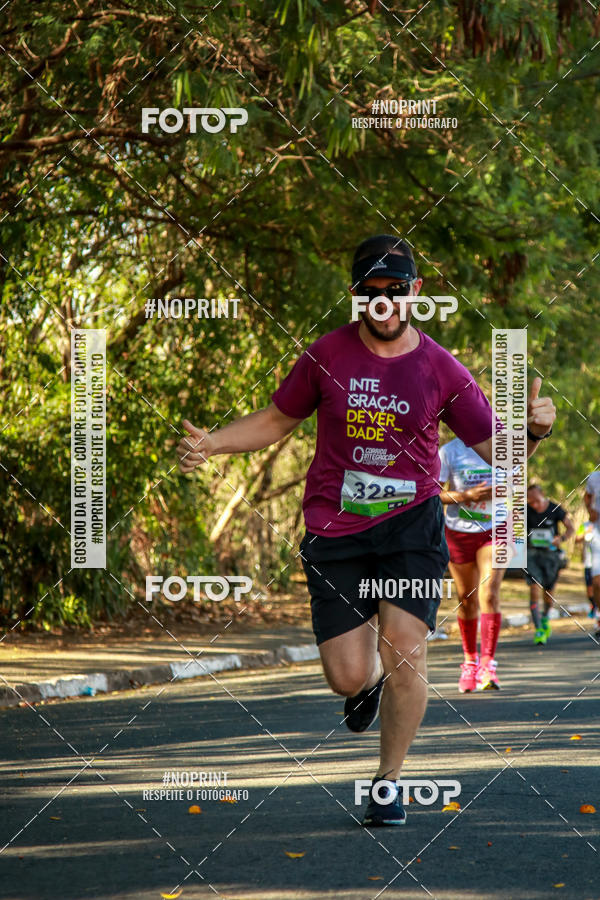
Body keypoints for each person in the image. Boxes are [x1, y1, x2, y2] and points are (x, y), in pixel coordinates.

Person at [176, 234, 556, 827]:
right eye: (369, 293)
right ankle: (366, 682)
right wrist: (213, 443)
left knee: (406, 649)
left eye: (395, 291)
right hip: (336, 529)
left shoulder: (439, 367)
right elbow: (278, 419)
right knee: (347, 675)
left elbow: (498, 450)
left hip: (411, 526)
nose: (383, 304)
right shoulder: (326, 355)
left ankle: (388, 782)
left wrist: (534, 433)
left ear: (415, 295)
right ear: (354, 296)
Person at [439, 438, 505, 692]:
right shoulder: (450, 452)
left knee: (489, 593)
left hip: (495, 527)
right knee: (466, 598)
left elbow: (518, 486)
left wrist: (504, 491)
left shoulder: (505, 447)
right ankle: (470, 661)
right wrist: (466, 496)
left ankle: (488, 664)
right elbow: (434, 492)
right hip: (459, 531)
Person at [526, 484, 574, 644]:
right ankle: (538, 628)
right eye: (530, 502)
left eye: (536, 500)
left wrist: (560, 539)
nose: (534, 505)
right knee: (534, 589)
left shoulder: (555, 509)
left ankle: (545, 617)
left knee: (548, 592)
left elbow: (570, 528)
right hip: (531, 555)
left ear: (542, 494)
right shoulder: (524, 510)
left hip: (551, 556)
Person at [583, 472, 600, 639]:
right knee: (596, 582)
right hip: (598, 534)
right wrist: (590, 510)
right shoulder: (594, 477)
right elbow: (587, 497)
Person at [574, 519, 596, 619]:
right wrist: (586, 533)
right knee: (590, 591)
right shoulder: (584, 525)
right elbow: (577, 539)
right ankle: (594, 606)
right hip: (588, 563)